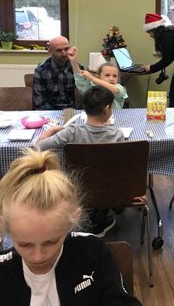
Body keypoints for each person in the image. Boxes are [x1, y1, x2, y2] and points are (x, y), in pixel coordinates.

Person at [0, 148, 142, 305]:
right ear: (4, 224)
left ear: (72, 222)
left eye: (51, 242)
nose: (38, 257)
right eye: (25, 244)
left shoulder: (92, 254)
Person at [36, 85, 124, 237]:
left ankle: (90, 217)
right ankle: (101, 215)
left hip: (77, 187)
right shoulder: (117, 134)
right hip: (108, 187)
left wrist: (50, 131)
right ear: (107, 109)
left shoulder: (71, 132)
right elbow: (122, 165)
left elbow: (39, 146)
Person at [33, 36, 80, 110]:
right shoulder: (42, 70)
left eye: (66, 49)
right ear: (50, 51)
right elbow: (40, 102)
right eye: (59, 50)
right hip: (50, 111)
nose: (64, 53)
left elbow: (84, 97)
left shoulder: (76, 67)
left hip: (73, 111)